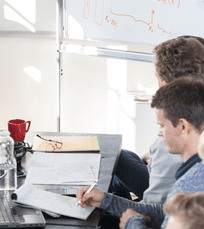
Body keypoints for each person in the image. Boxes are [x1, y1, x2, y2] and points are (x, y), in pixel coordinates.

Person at [77, 78, 204, 229]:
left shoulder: (193, 183)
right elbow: (166, 216)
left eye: (162, 126)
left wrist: (133, 223)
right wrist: (106, 200)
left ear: (182, 126)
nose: (159, 133)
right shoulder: (194, 172)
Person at [113, 36, 204, 203]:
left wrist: (114, 207)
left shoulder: (165, 147)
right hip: (165, 181)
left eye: (158, 80)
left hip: (161, 205)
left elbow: (154, 211)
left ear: (168, 84)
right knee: (125, 159)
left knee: (118, 161)